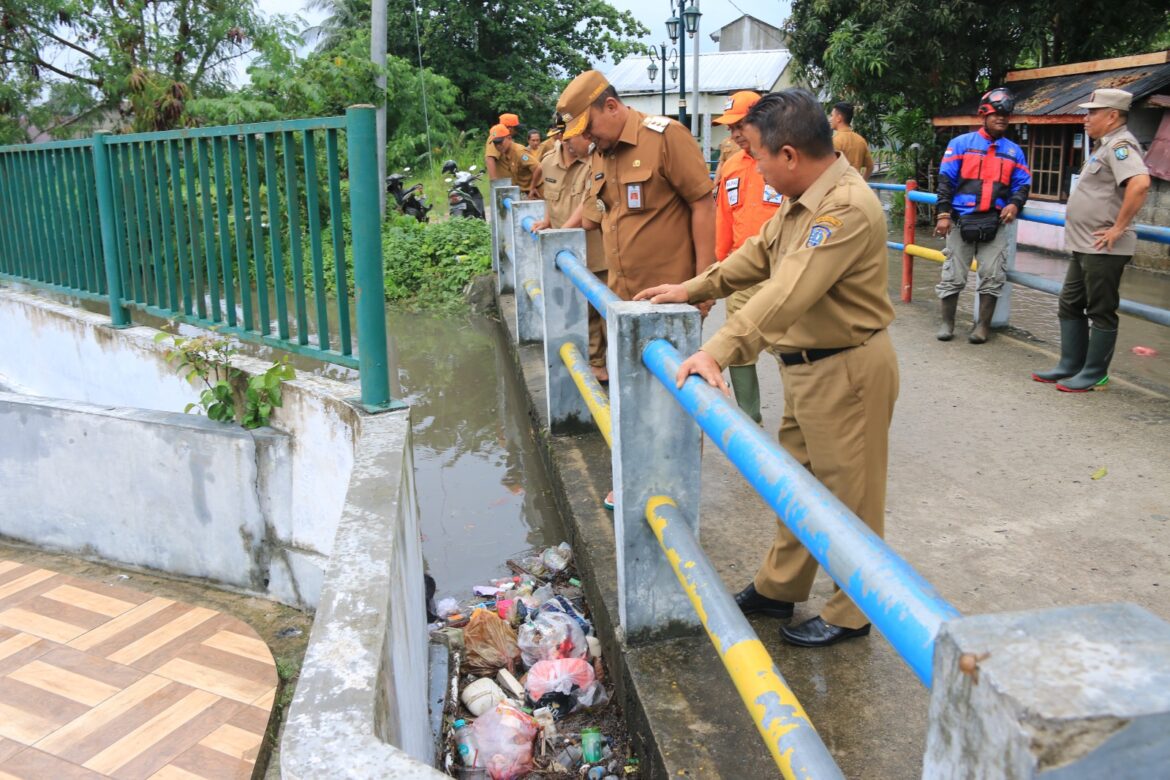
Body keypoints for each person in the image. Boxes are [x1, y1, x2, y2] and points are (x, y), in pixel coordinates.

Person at [635, 89, 898, 648]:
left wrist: (717, 350)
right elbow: (757, 256)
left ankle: (854, 611)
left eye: (756, 154)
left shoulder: (844, 208)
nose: (753, 166)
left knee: (849, 498)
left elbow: (788, 289)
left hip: (847, 371)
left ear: (790, 155)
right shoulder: (801, 200)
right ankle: (781, 586)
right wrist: (692, 288)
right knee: (795, 487)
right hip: (806, 368)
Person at [557, 69, 716, 510]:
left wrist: (703, 283)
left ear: (611, 106)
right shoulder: (601, 154)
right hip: (622, 303)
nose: (587, 138)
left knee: (676, 396)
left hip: (670, 300)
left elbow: (703, 204)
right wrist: (553, 234)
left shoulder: (665, 138)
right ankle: (636, 478)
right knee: (630, 395)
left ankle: (677, 488)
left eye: (588, 126)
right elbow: (594, 213)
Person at [1032, 88, 1151, 392]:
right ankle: (1071, 365)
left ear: (1112, 116)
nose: (1086, 119)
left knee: (1100, 310)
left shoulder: (1121, 146)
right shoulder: (1103, 147)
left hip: (1104, 247)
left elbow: (1140, 184)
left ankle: (1096, 374)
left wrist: (1118, 228)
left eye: (1092, 113)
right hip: (1084, 244)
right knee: (1069, 303)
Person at [933, 87, 1032, 344]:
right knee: (953, 275)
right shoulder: (960, 144)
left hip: (995, 222)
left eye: (1005, 116)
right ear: (983, 116)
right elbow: (945, 181)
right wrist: (943, 214)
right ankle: (947, 323)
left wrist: (1015, 204)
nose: (1001, 119)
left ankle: (983, 327)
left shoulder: (1014, 151)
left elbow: (1022, 184)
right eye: (996, 114)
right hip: (960, 219)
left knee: (993, 275)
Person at [712, 90, 784, 423]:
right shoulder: (731, 167)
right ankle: (749, 420)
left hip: (781, 273)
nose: (735, 134)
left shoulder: (784, 160)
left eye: (740, 125)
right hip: (741, 272)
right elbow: (724, 220)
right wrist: (720, 268)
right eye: (730, 128)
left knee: (788, 348)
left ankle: (801, 423)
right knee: (739, 347)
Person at [531, 121, 610, 382]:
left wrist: (560, 234)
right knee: (579, 309)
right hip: (565, 251)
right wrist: (547, 221)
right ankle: (593, 362)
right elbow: (549, 196)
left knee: (601, 307)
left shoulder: (596, 162)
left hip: (596, 248)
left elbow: (587, 205)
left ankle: (607, 364)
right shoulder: (548, 162)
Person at [488, 123, 544, 199]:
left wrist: (532, 187)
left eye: (500, 142)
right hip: (525, 193)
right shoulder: (505, 153)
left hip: (536, 191)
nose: (498, 146)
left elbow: (538, 167)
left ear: (509, 138)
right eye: (495, 143)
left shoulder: (519, 152)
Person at [828, 101, 874, 180]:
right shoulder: (860, 140)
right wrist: (861, 182)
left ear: (839, 118)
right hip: (855, 185)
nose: (830, 119)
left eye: (832, 115)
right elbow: (870, 167)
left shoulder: (835, 141)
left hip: (839, 186)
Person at [485, 112, 521, 180]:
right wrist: (494, 180)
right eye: (516, 129)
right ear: (510, 129)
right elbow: (490, 158)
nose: (516, 132)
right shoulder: (496, 137)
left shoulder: (506, 138)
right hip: (503, 183)